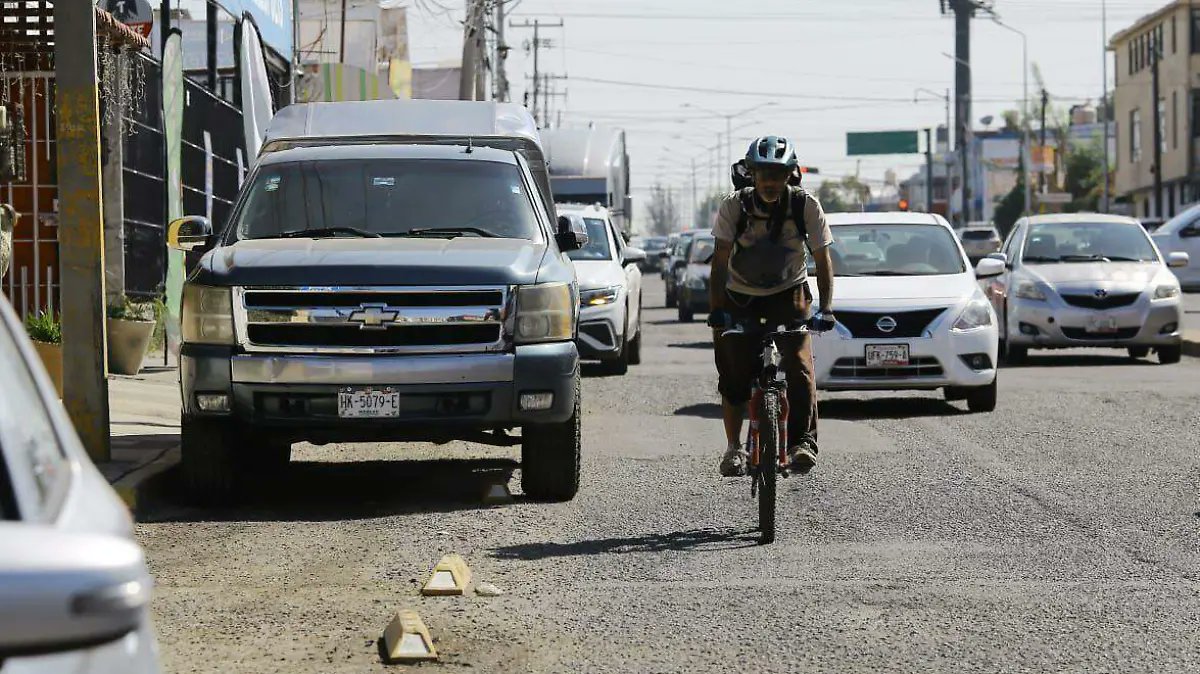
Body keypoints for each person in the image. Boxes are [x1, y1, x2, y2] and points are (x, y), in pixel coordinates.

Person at [707, 136, 837, 477]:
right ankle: (734, 448)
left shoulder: (805, 205)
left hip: (788, 294)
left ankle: (801, 443)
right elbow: (719, 262)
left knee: (799, 366)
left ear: (790, 175)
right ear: (751, 173)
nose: (770, 182)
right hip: (740, 295)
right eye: (763, 173)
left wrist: (827, 308)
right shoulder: (733, 207)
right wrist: (717, 309)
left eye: (777, 174)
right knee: (733, 374)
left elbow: (823, 260)